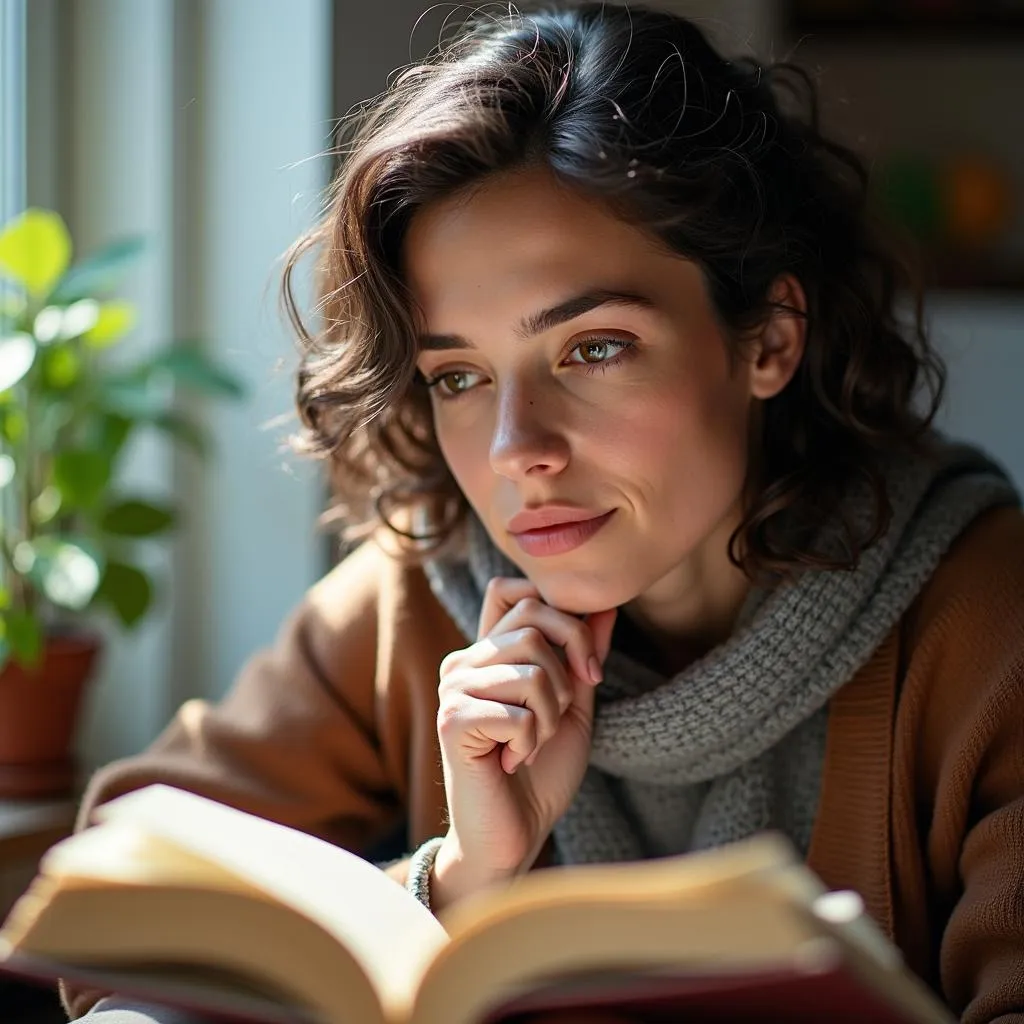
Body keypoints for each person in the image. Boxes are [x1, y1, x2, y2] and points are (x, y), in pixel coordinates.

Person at [67, 3, 1023, 1022]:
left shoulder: (982, 619)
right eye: (458, 376)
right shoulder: (420, 595)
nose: (518, 448)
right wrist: (460, 878)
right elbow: (102, 913)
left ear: (768, 340)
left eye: (593, 347)